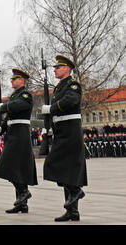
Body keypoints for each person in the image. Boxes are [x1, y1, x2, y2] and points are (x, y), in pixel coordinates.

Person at [41, 55, 88, 222]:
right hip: (61, 131)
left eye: (57, 67)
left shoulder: (73, 85)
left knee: (54, 165)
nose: (54, 69)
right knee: (65, 170)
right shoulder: (60, 86)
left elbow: (71, 101)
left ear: (67, 69)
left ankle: (75, 192)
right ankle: (72, 211)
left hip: (70, 132)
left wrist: (51, 108)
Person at [0, 68, 38, 214]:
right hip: (13, 133)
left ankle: (24, 192)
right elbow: (9, 117)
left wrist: (3, 106)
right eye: (12, 79)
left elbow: (17, 107)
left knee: (8, 165)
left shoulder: (25, 95)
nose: (11, 81)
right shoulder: (15, 95)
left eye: (14, 79)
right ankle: (22, 203)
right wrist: (0, 129)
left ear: (22, 80)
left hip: (20, 134)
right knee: (17, 168)